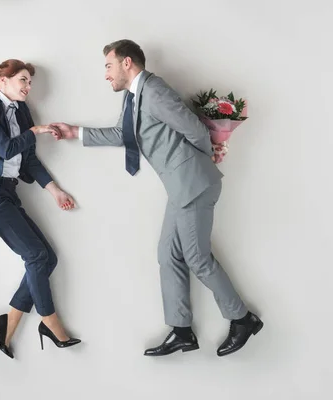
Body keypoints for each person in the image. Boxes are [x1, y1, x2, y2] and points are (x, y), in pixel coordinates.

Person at [51, 40, 262, 357]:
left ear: (126, 63)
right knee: (168, 255)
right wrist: (74, 132)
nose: (106, 75)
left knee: (198, 258)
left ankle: (243, 319)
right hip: (181, 188)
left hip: (193, 184)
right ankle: (181, 331)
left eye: (108, 66)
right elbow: (125, 135)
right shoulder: (133, 97)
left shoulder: (153, 90)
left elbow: (196, 130)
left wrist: (200, 164)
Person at [0, 59, 81, 359]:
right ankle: (50, 321)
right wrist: (34, 131)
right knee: (35, 256)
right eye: (23, 80)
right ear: (2, 81)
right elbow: (5, 148)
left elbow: (28, 159)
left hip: (8, 195)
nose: (28, 87)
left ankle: (10, 322)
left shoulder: (21, 110)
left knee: (48, 259)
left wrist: (55, 191)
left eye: (30, 82)